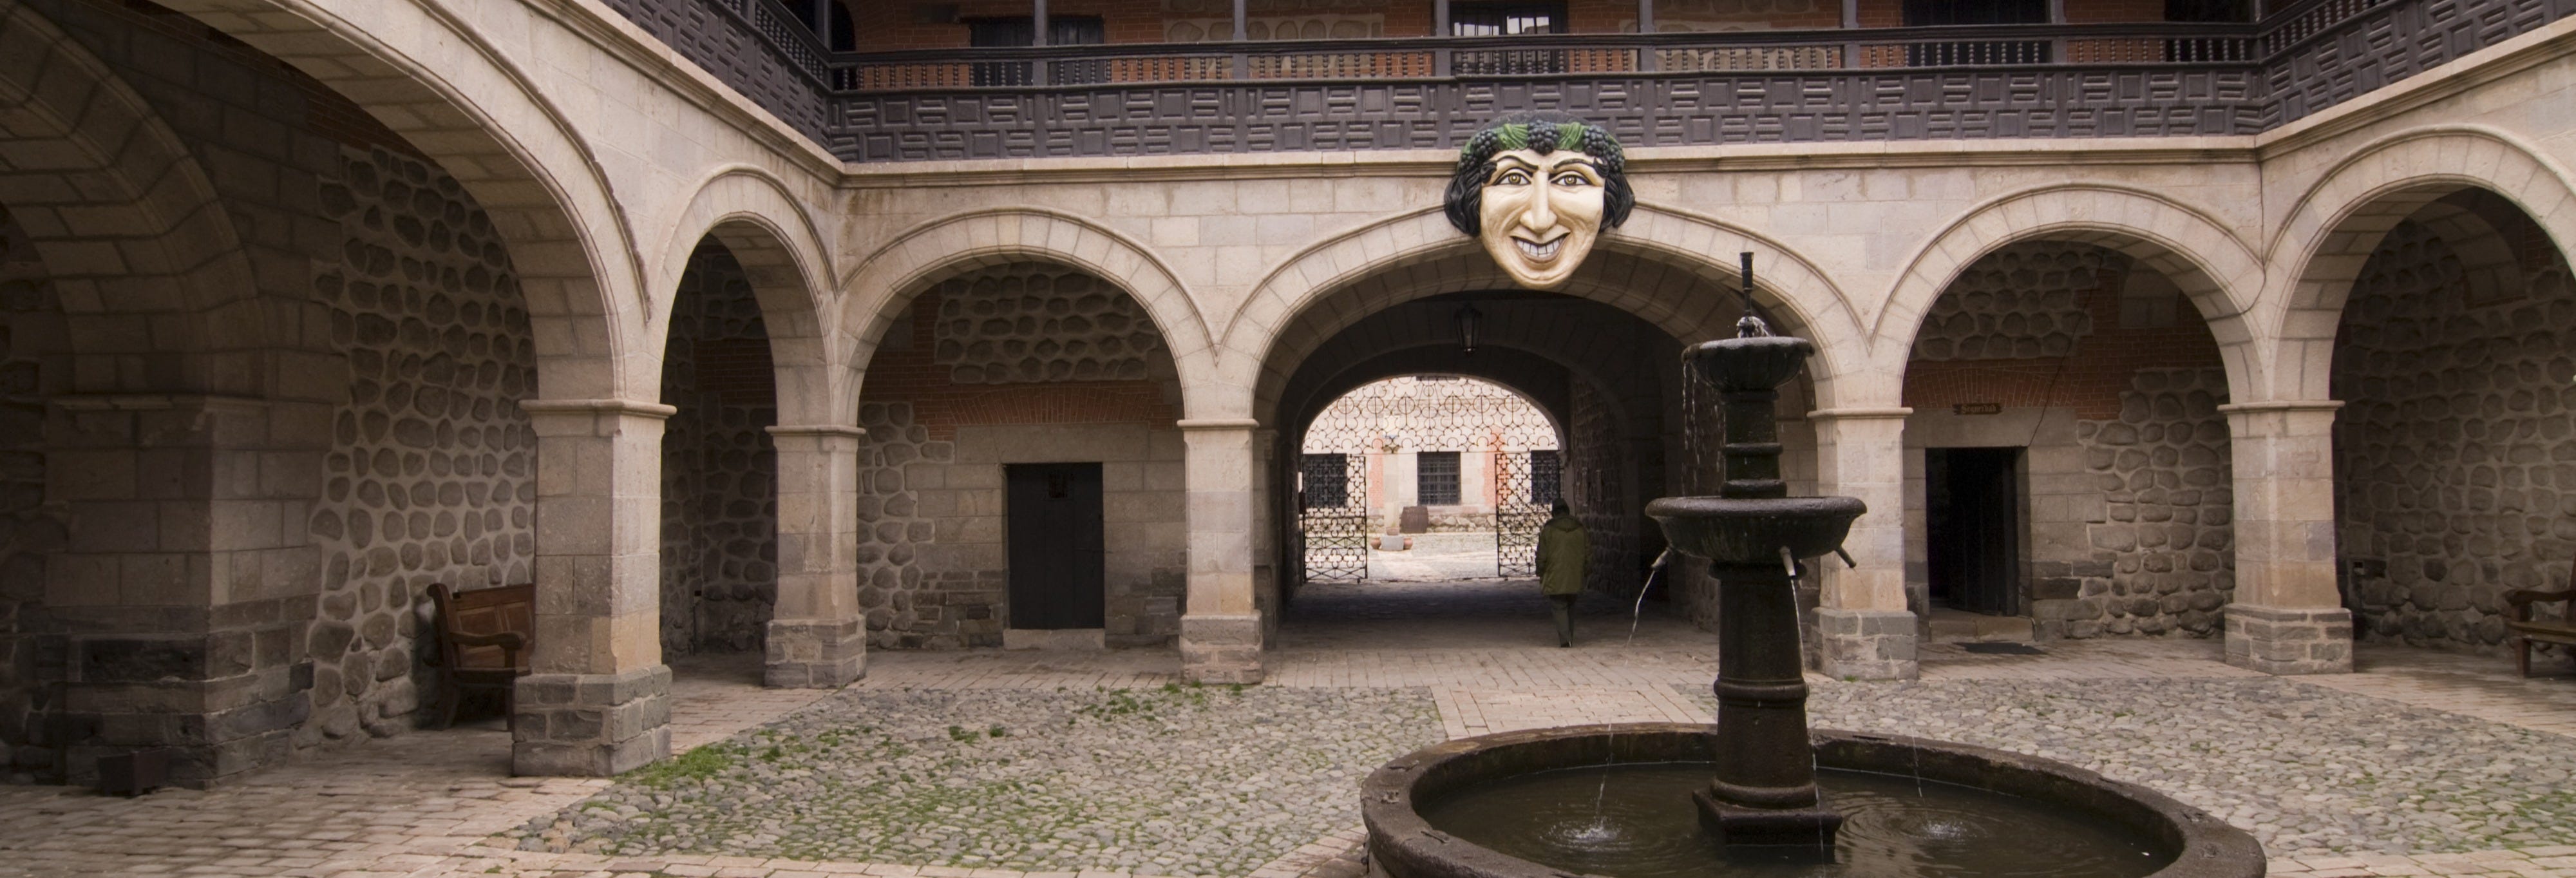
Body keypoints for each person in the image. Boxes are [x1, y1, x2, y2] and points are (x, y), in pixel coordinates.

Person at [1533, 499, 1589, 647]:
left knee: (1559, 606)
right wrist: (1586, 571)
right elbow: (1588, 553)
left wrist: (1540, 571)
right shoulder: (1580, 529)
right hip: (1575, 574)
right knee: (1571, 605)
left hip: (1554, 575)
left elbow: (1542, 555)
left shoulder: (1549, 530)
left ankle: (1565, 639)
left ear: (1554, 513)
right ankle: (1569, 635)